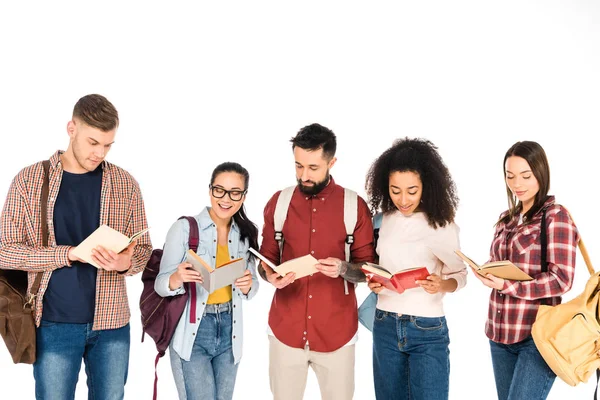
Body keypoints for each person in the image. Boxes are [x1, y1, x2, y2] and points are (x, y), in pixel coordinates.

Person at [0, 94, 152, 399]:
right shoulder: (29, 180)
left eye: (107, 145)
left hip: (112, 324)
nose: (99, 153)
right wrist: (67, 254)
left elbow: (144, 249)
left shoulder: (126, 183)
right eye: (92, 142)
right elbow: (5, 251)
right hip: (54, 323)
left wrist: (125, 263)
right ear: (71, 129)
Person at [258, 123, 375, 400]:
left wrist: (344, 269)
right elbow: (266, 260)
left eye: (313, 167)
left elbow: (368, 270)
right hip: (285, 330)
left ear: (332, 162)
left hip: (337, 335)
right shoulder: (279, 202)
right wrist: (269, 276)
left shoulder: (354, 206)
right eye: (298, 166)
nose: (304, 175)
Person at [471, 140, 579, 400]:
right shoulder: (506, 218)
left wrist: (507, 286)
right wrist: (487, 270)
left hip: (537, 337)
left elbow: (561, 280)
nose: (517, 183)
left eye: (525, 176)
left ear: (540, 173)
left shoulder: (556, 217)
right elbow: (504, 263)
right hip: (499, 333)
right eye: (510, 176)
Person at [364, 137, 467, 400]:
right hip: (385, 323)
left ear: (426, 186)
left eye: (412, 190)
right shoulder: (383, 220)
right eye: (395, 190)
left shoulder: (440, 225)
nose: (403, 199)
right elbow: (380, 266)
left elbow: (459, 274)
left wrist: (441, 284)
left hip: (427, 328)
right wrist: (375, 281)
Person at [155, 162, 259, 400]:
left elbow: (252, 286)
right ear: (210, 190)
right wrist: (177, 277)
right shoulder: (183, 228)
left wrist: (248, 285)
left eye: (235, 192)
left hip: (230, 332)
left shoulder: (245, 234)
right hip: (194, 330)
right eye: (219, 190)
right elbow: (160, 285)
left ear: (243, 196)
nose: (226, 199)